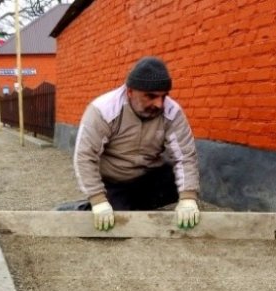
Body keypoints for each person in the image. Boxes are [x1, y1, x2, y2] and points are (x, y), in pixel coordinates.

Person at [61, 56, 202, 231]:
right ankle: (82, 209)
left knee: (180, 183)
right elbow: (85, 156)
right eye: (150, 96)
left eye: (163, 96)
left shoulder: (172, 112)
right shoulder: (104, 110)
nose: (159, 104)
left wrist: (188, 198)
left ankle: (128, 205)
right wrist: (98, 200)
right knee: (116, 221)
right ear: (129, 92)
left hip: (146, 176)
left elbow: (185, 156)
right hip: (113, 180)